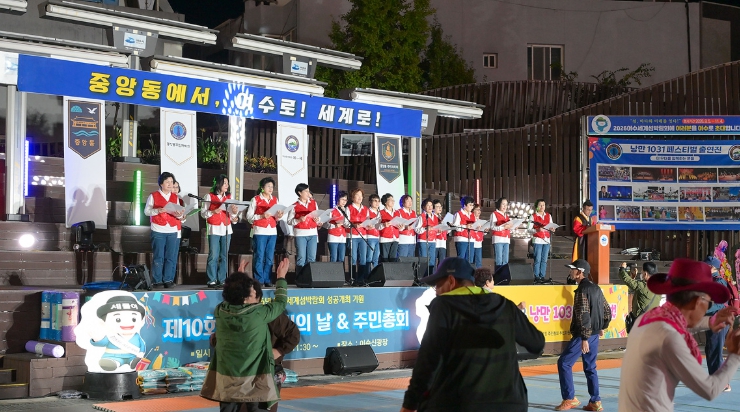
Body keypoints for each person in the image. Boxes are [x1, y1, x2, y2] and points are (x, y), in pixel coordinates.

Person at [401, 257, 545, 412]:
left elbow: (428, 360)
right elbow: (537, 343)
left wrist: (409, 404)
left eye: (437, 285)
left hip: (460, 403)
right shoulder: (504, 304)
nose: (436, 291)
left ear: (451, 281)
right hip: (510, 402)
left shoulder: (444, 306)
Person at [618, 258, 740, 412]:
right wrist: (735, 356)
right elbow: (710, 389)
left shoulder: (649, 318)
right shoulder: (671, 339)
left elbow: (681, 323)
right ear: (697, 302)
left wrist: (710, 321)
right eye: (708, 303)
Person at [200, 258, 289, 412]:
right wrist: (281, 278)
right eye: (250, 290)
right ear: (245, 297)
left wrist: (238, 280)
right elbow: (280, 303)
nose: (254, 292)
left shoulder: (221, 311)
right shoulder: (258, 313)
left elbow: (232, 298)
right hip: (255, 379)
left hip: (228, 379)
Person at [555, 259, 612, 411]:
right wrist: (602, 326)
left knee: (564, 363)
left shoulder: (582, 290)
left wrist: (584, 338)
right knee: (590, 367)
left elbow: (583, 315)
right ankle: (595, 401)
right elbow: (607, 311)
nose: (570, 271)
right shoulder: (596, 288)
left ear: (579, 272)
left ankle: (569, 398)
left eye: (572, 269)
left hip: (583, 335)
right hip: (594, 334)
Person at [144, 172, 185, 288]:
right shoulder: (153, 196)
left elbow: (178, 214)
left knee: (170, 257)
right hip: (158, 229)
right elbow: (146, 211)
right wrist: (158, 211)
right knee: (159, 256)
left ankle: (168, 279)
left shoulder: (175, 197)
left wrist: (179, 215)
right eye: (167, 182)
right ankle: (157, 280)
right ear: (161, 183)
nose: (170, 184)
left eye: (172, 182)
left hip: (172, 229)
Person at [201, 175, 240, 288]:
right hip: (214, 229)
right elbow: (203, 213)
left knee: (224, 255)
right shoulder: (209, 196)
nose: (227, 185)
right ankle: (212, 280)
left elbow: (232, 216)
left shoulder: (229, 197)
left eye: (227, 183)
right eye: (224, 183)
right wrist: (213, 212)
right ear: (218, 184)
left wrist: (234, 214)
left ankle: (222, 279)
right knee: (213, 255)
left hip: (226, 229)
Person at [246, 177, 283, 288]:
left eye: (272, 187)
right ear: (262, 187)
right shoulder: (256, 199)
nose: (270, 189)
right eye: (268, 186)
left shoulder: (275, 200)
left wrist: (279, 216)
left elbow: (277, 218)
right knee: (259, 256)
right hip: (260, 231)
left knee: (269, 257)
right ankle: (259, 280)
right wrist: (261, 216)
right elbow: (249, 217)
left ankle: (267, 279)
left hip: (272, 231)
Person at [703, 256, 732, 391]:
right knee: (711, 349)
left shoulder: (719, 282)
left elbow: (719, 304)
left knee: (715, 350)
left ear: (712, 267)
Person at [286, 183, 319, 277]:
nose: (308, 193)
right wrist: (298, 220)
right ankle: (300, 278)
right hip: (300, 234)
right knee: (301, 257)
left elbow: (318, 216)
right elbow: (289, 221)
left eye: (308, 191)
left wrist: (318, 220)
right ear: (300, 193)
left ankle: (310, 278)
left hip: (312, 233)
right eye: (306, 191)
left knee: (311, 257)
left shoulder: (314, 203)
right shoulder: (294, 206)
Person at [618, 261, 660, 326]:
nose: (641, 273)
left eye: (642, 271)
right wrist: (633, 278)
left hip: (641, 322)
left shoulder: (642, 286)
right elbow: (638, 289)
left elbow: (627, 280)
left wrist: (622, 269)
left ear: (645, 274)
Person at [347, 188, 369, 285]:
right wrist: (354, 225)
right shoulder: (349, 208)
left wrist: (369, 225)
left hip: (363, 235)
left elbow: (368, 221)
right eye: (357, 195)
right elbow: (346, 223)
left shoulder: (365, 209)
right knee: (353, 258)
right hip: (353, 235)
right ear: (352, 197)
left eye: (361, 196)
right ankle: (352, 279)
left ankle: (360, 279)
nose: (360, 198)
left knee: (363, 258)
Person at [531, 199, 555, 284]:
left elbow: (551, 225)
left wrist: (552, 229)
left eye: (543, 205)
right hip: (538, 240)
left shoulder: (548, 215)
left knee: (544, 260)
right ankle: (536, 277)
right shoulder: (533, 216)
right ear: (537, 206)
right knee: (537, 259)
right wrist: (537, 230)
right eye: (540, 205)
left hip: (546, 240)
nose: (542, 207)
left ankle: (542, 276)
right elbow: (528, 229)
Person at [415, 198, 439, 276]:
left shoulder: (435, 217)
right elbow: (416, 229)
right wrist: (425, 228)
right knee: (424, 259)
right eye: (428, 205)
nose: (430, 207)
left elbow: (435, 229)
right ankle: (422, 277)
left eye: (431, 205)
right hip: (423, 240)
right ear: (423, 207)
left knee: (432, 260)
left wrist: (438, 231)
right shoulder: (421, 216)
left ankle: (430, 277)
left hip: (433, 241)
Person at [326, 191, 348, 264]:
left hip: (343, 237)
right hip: (333, 236)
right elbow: (326, 224)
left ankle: (341, 271)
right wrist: (335, 225)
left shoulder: (346, 211)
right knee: (334, 258)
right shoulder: (331, 211)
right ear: (337, 199)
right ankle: (332, 271)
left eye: (345, 200)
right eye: (342, 199)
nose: (344, 202)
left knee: (341, 258)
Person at [491, 197, 514, 269]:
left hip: (506, 239)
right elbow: (492, 227)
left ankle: (505, 274)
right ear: (499, 204)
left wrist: (512, 227)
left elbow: (508, 228)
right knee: (499, 259)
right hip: (498, 239)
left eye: (506, 205)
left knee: (505, 260)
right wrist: (503, 228)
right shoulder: (494, 214)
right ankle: (498, 274)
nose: (505, 206)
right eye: (503, 204)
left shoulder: (506, 216)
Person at [452, 196, 476, 263]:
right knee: (461, 259)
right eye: (470, 205)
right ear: (464, 205)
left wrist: (477, 227)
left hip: (471, 238)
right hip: (461, 238)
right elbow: (456, 227)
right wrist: (465, 226)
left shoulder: (472, 215)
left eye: (472, 205)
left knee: (470, 259)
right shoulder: (458, 214)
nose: (472, 207)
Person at [378, 193, 400, 262]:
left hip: (395, 238)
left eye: (393, 200)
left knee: (393, 259)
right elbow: (376, 226)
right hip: (385, 239)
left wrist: (401, 227)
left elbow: (400, 226)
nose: (393, 201)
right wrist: (383, 225)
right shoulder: (380, 212)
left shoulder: (397, 212)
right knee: (385, 259)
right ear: (385, 202)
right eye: (390, 200)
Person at [366, 194, 381, 272]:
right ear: (370, 202)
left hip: (378, 237)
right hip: (370, 237)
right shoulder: (367, 211)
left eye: (378, 201)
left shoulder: (380, 212)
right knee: (369, 258)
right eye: (375, 201)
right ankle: (368, 275)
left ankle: (375, 275)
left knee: (376, 258)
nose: (377, 203)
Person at [432, 200, 448, 266]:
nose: (440, 208)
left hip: (442, 242)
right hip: (435, 241)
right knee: (433, 260)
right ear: (433, 208)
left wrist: (449, 227)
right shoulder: (432, 217)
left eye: (440, 206)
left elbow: (446, 231)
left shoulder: (442, 218)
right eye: (437, 206)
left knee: (442, 262)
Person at [471, 204, 485, 269]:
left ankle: (479, 274)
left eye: (480, 210)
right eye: (477, 210)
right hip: (472, 242)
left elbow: (482, 233)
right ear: (473, 210)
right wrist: (476, 229)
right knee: (472, 261)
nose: (479, 211)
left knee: (478, 262)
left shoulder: (480, 221)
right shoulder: (471, 219)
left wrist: (485, 230)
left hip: (479, 243)